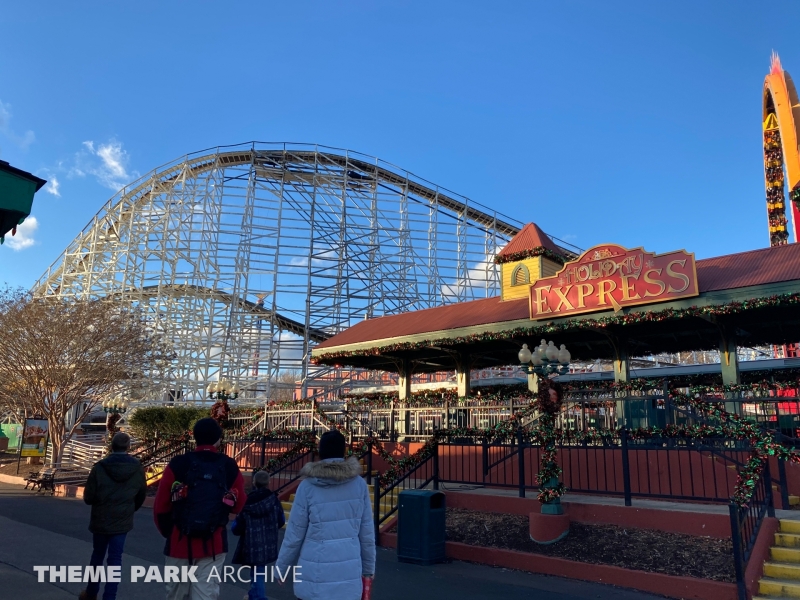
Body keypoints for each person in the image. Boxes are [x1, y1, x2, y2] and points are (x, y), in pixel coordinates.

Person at [275, 429, 376, 600]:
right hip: (348, 576)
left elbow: (294, 534)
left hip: (314, 574)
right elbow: (366, 533)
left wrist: (281, 568)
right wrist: (369, 569)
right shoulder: (359, 485)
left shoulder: (307, 486)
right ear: (344, 451)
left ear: (320, 451)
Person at [153, 417, 246, 600]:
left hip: (179, 543)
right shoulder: (228, 466)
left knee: (176, 595)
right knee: (205, 594)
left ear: (195, 437)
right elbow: (239, 505)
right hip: (213, 543)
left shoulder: (178, 464)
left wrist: (171, 532)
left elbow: (160, 507)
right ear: (218, 439)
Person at [79, 432, 147, 600]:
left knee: (97, 556)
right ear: (128, 446)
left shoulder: (100, 467)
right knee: (115, 560)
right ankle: (110, 596)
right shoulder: (137, 468)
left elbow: (88, 497)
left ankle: (91, 592)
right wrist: (129, 509)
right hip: (122, 521)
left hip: (101, 519)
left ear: (111, 446)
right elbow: (141, 495)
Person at [231, 470, 286, 600]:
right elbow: (281, 520)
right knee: (258, 571)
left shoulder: (248, 502)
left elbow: (237, 526)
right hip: (268, 541)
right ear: (269, 482)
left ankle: (258, 597)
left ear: (255, 483)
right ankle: (254, 594)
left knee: (257, 571)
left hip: (251, 541)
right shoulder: (273, 500)